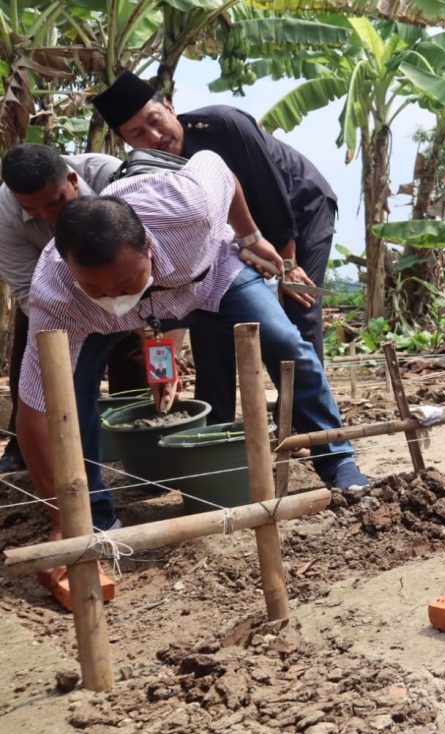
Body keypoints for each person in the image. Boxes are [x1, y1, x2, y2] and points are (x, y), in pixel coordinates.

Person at [16, 150, 368, 542]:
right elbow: (34, 412)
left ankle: (338, 462)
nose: (115, 295)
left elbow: (218, 164)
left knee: (285, 340)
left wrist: (250, 235)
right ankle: (93, 516)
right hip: (100, 327)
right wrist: (60, 517)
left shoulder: (186, 208)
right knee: (71, 397)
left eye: (127, 283)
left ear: (148, 246)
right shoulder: (56, 293)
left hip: (211, 281)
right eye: (97, 289)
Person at [92, 71, 335, 422]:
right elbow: (177, 274)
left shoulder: (222, 125)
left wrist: (286, 266)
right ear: (125, 141)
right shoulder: (147, 176)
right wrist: (167, 359)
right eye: (138, 134)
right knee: (210, 315)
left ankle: (303, 422)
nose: (155, 137)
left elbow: (271, 196)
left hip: (298, 209)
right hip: (233, 235)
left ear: (170, 108)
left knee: (297, 310)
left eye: (156, 122)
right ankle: (217, 422)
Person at [0, 144, 145, 473]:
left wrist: (116, 301)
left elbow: (138, 246)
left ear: (73, 178)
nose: (49, 217)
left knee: (131, 348)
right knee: (31, 364)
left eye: (55, 203)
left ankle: (135, 433)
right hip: (49, 293)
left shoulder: (112, 175)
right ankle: (25, 448)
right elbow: (25, 289)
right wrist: (69, 322)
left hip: (117, 280)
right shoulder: (4, 215)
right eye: (32, 210)